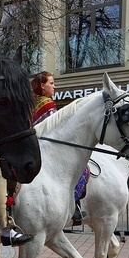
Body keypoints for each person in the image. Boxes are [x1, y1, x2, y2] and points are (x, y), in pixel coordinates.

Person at [31, 71, 87, 224]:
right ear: (42, 86)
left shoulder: (33, 103)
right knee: (83, 170)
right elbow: (56, 128)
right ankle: (73, 206)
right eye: (51, 83)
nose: (54, 86)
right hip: (50, 146)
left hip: (35, 146)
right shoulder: (48, 104)